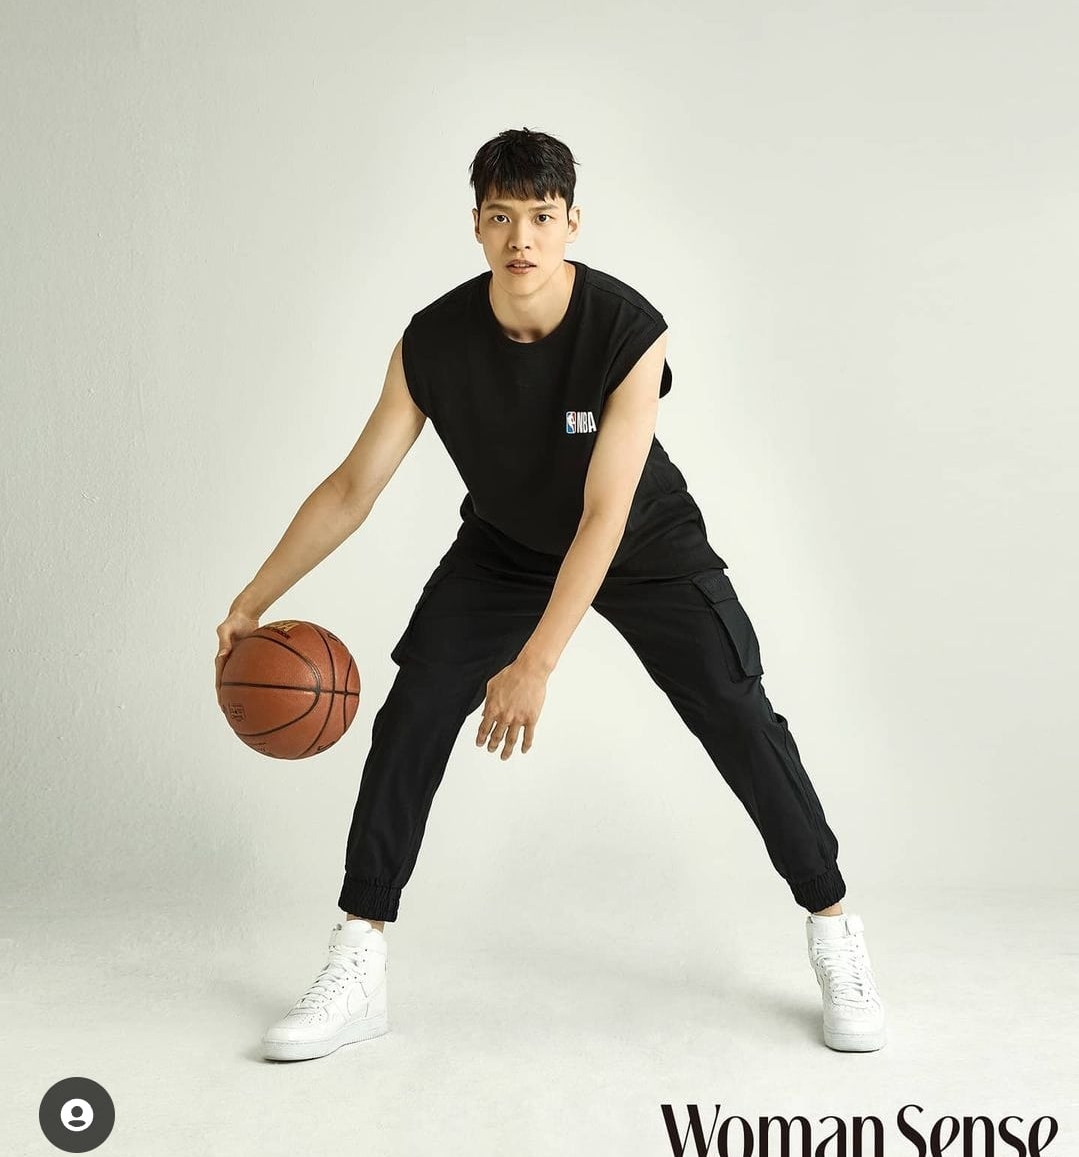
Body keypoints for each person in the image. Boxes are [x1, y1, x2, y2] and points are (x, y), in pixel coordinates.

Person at [215, 127, 886, 1062]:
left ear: (572, 221)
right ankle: (358, 956)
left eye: (540, 216)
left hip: (642, 542)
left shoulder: (626, 330)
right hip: (505, 548)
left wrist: (536, 662)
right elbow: (352, 487)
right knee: (413, 712)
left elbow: (604, 516)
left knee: (736, 712)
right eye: (501, 217)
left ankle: (832, 926)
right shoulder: (431, 342)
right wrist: (253, 598)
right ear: (476, 227)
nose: (521, 238)